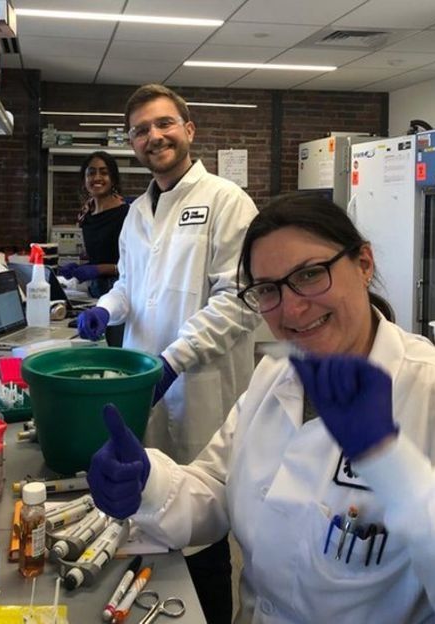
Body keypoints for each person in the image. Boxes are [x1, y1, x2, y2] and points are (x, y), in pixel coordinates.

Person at [87, 193, 435, 624]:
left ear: (364, 264)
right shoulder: (276, 375)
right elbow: (218, 486)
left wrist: (390, 464)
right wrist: (148, 482)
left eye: (310, 274)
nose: (292, 308)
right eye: (268, 290)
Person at [76, 84, 261, 623]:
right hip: (145, 388)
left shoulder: (227, 201)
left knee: (203, 530)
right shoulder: (137, 212)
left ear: (188, 130)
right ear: (132, 143)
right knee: (148, 515)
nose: (153, 136)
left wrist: (175, 359)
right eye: (140, 130)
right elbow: (130, 286)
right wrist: (105, 310)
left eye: (163, 124)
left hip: (202, 394)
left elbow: (240, 299)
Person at [60, 151, 129, 346]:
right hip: (96, 293)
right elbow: (101, 254)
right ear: (84, 179)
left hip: (121, 296)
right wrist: (81, 268)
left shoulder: (126, 214)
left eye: (104, 172)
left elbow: (134, 266)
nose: (97, 178)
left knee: (115, 349)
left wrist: (98, 269)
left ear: (113, 178)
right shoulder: (87, 214)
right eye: (91, 173)